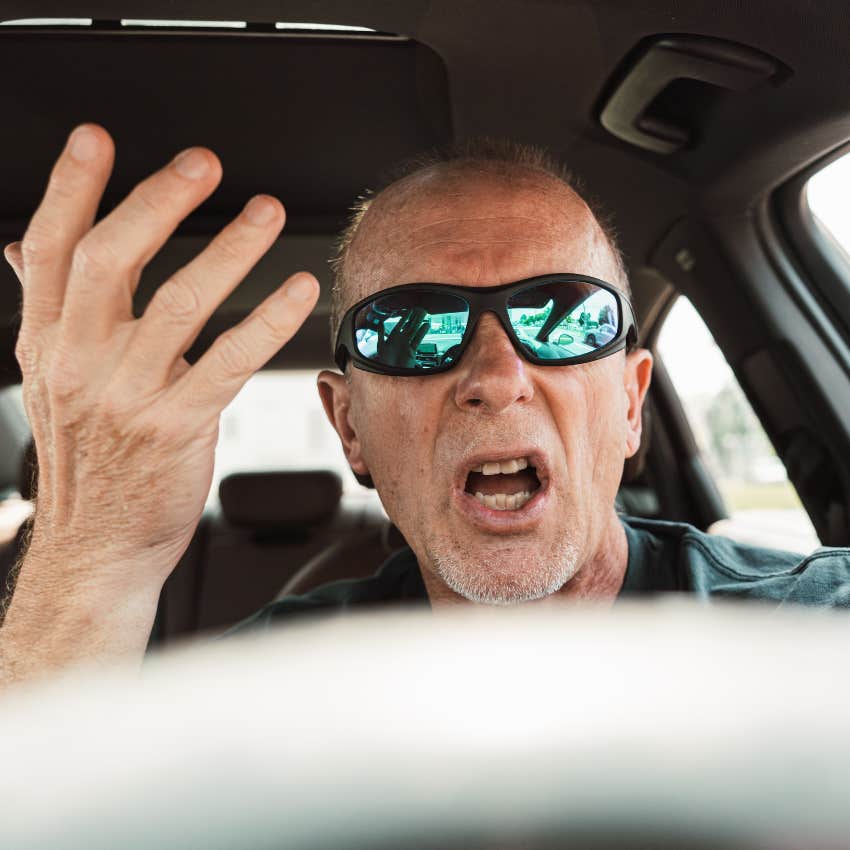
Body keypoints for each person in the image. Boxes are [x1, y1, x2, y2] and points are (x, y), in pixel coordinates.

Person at [0, 126, 848, 685]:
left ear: (631, 405)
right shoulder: (269, 689)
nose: (495, 372)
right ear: (350, 429)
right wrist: (93, 549)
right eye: (411, 330)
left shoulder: (808, 632)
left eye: (563, 315)